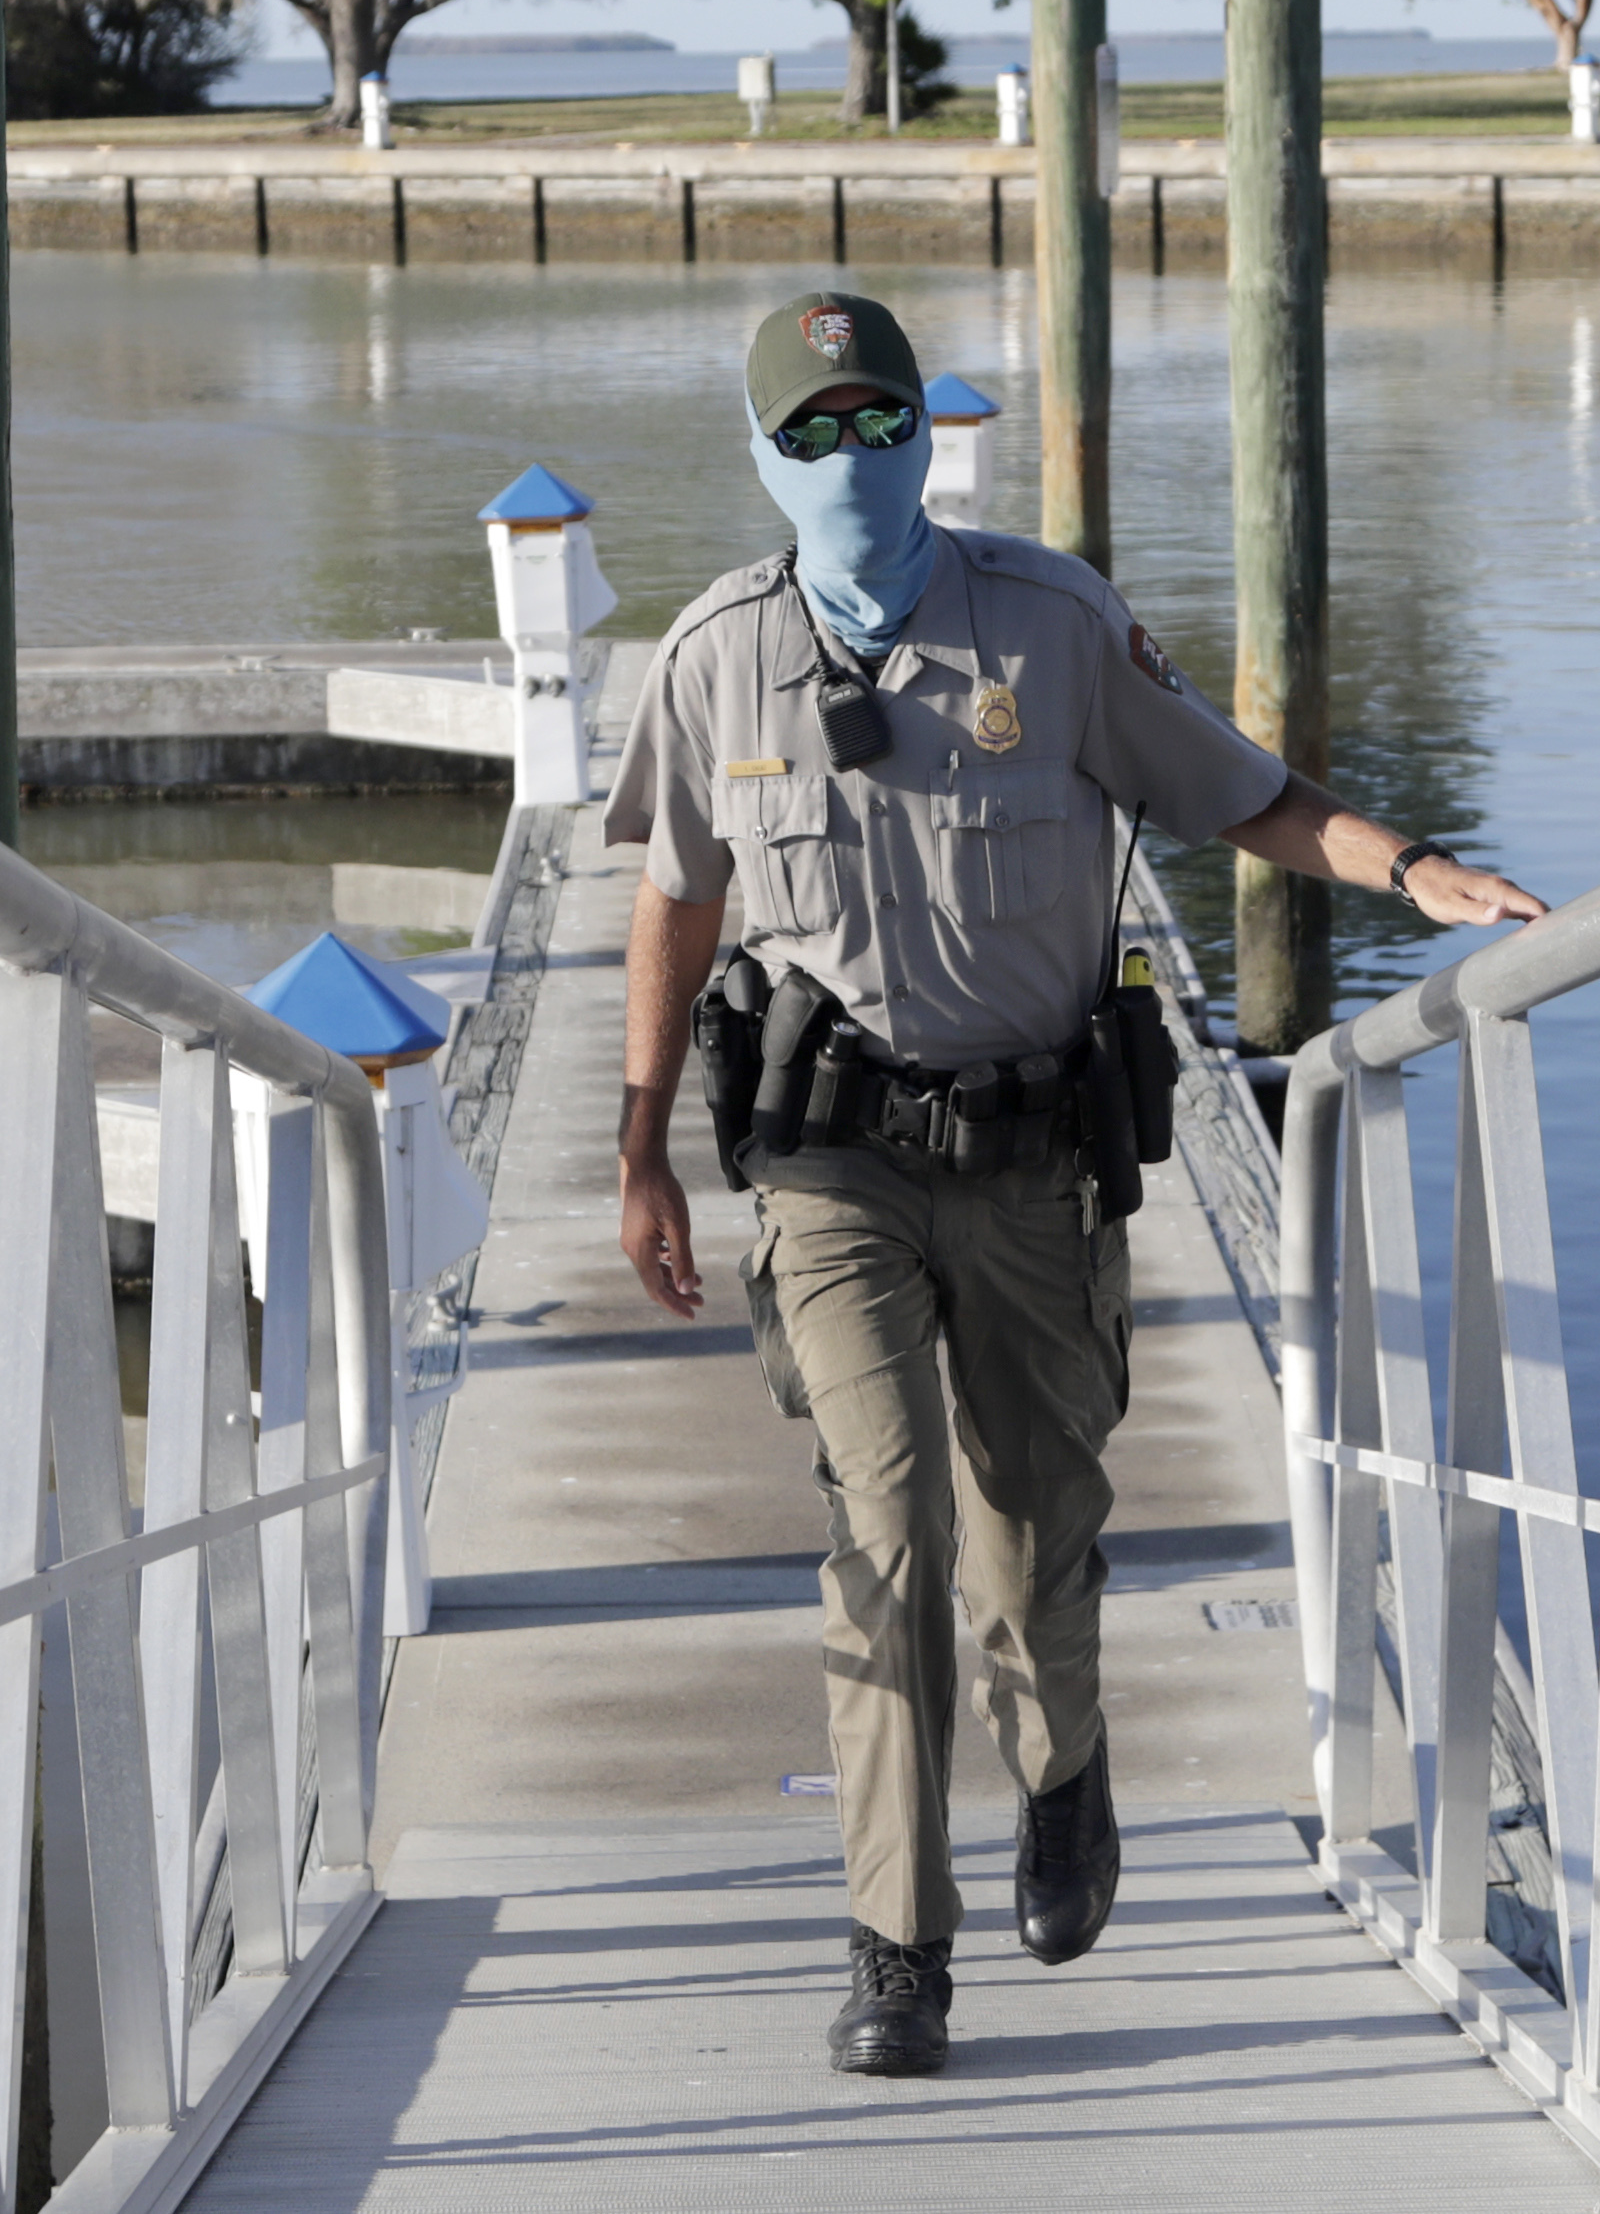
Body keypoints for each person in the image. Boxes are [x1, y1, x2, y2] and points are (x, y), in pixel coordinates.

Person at [600, 288, 1544, 2081]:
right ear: (760, 454)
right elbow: (674, 893)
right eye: (813, 429)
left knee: (1035, 1541)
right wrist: (639, 1140)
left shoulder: (1052, 618)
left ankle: (1063, 1768)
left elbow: (1243, 797)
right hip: (831, 1172)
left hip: (1036, 1165)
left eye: (880, 421)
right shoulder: (712, 650)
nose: (851, 455)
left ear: (925, 440)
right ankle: (895, 1941)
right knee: (884, 1533)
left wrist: (1410, 867)